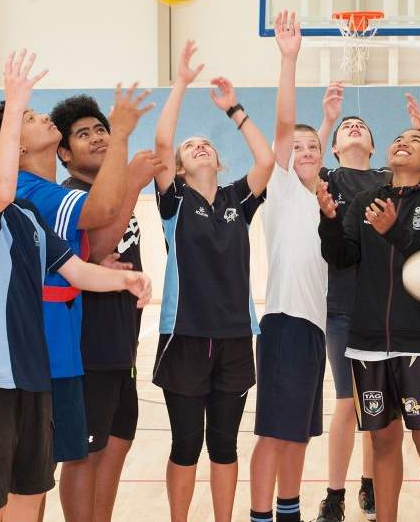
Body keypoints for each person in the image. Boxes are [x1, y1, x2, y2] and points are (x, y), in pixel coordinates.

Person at [0, 49, 152, 521]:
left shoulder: (29, 217)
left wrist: (127, 279)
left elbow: (75, 268)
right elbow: (0, 190)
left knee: (28, 499)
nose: (1, 136)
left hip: (33, 379)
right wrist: (15, 104)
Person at [313, 85, 420, 522]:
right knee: (383, 440)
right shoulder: (359, 200)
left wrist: (394, 230)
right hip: (365, 338)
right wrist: (330, 222)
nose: (401, 143)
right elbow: (342, 256)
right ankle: (360, 506)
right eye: (398, 139)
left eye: (412, 141)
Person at [152, 40, 274, 522]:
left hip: (235, 338)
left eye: (206, 143)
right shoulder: (175, 201)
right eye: (190, 146)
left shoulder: (236, 199)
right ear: (180, 168)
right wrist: (181, 83)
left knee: (224, 448)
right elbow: (161, 144)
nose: (198, 144)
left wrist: (235, 111)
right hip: (183, 337)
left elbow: (265, 162)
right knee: (186, 446)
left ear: (218, 161)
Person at [50, 93, 166, 521]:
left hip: (122, 345)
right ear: (64, 152)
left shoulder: (112, 193)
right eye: (84, 134)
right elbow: (89, 253)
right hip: (88, 347)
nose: (98, 138)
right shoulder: (71, 197)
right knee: (85, 455)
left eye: (102, 129)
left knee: (116, 447)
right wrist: (133, 183)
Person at [248, 11, 329, 522]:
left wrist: (324, 123)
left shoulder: (324, 200)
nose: (303, 152)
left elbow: (310, 150)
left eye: (313, 146)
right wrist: (289, 59)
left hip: (314, 330)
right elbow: (285, 126)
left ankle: (288, 513)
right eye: (295, 149)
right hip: (283, 324)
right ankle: (260, 516)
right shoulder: (278, 191)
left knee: (298, 433)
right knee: (274, 434)